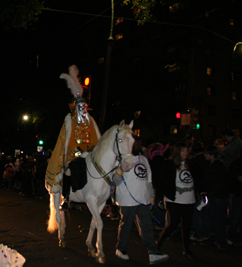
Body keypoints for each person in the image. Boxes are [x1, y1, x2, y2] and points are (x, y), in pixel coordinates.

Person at [45, 65, 101, 210]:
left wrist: (93, 150)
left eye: (84, 106)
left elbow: (96, 139)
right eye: (79, 106)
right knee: (69, 170)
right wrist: (76, 152)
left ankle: (107, 196)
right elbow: (67, 139)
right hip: (73, 153)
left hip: (89, 153)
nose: (82, 108)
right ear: (75, 107)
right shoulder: (69, 120)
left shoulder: (91, 121)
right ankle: (66, 197)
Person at [114, 137, 169, 264]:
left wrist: (151, 196)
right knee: (126, 226)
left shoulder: (143, 159)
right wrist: (118, 173)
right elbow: (115, 182)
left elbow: (148, 180)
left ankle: (153, 253)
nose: (139, 145)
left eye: (140, 143)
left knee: (146, 227)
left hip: (143, 200)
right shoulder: (120, 160)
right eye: (136, 143)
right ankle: (121, 249)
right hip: (127, 200)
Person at [156, 142, 206, 259]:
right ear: (178, 152)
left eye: (187, 150)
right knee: (173, 224)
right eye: (183, 150)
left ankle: (186, 249)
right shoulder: (170, 164)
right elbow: (162, 181)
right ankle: (158, 243)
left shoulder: (193, 164)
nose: (185, 153)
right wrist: (160, 197)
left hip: (189, 199)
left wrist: (203, 192)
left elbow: (200, 179)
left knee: (187, 225)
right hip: (173, 199)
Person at [203, 145, 231, 249]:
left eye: (206, 154)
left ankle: (221, 240)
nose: (205, 155)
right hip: (218, 195)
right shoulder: (216, 165)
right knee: (217, 219)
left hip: (217, 196)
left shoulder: (216, 166)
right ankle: (220, 239)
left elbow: (217, 182)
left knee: (218, 219)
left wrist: (212, 192)